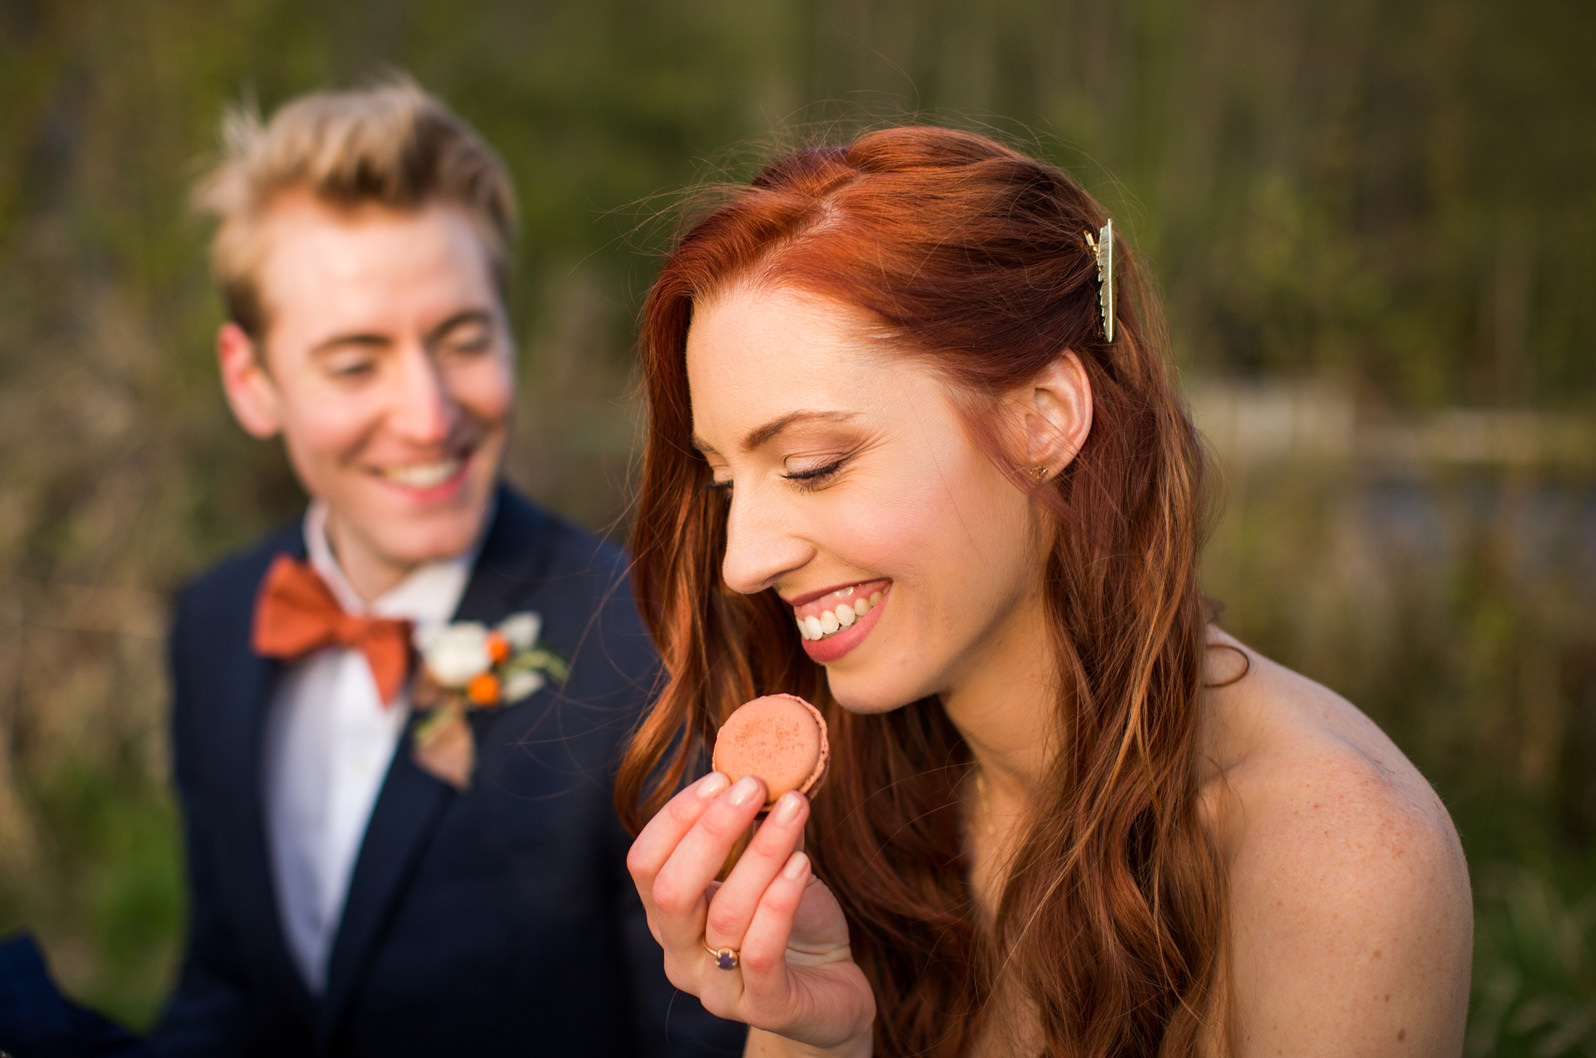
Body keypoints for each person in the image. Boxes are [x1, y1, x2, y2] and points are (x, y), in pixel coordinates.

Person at [617, 127, 1473, 1058]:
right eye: (724, 483)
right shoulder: (860, 799)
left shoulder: (1340, 861)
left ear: (1043, 420)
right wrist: (821, 1040)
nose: (742, 562)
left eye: (814, 466)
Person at [151, 78, 743, 1057]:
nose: (430, 415)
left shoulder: (647, 648)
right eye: (355, 362)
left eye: (463, 340)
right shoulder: (214, 619)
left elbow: (698, 1040)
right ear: (251, 379)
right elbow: (224, 981)